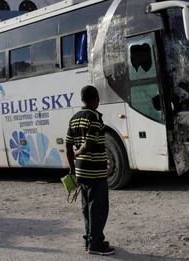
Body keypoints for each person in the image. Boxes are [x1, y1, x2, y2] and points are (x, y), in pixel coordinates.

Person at [65, 85, 115, 256]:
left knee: (87, 207)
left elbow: (67, 145)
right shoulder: (94, 117)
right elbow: (89, 145)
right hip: (95, 170)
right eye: (98, 99)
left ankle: (90, 240)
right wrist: (79, 153)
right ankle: (96, 244)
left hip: (81, 172)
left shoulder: (74, 118)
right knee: (98, 208)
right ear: (95, 99)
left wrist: (73, 168)